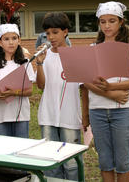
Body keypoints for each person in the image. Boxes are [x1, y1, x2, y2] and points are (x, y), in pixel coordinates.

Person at [83, 1, 129, 182]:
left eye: (112, 21)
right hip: (97, 111)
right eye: (103, 21)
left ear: (121, 22)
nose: (107, 26)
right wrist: (110, 93)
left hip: (122, 112)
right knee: (105, 160)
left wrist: (111, 87)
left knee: (123, 161)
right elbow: (86, 80)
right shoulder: (93, 49)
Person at [35, 12, 82, 180]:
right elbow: (41, 85)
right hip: (48, 116)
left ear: (65, 31)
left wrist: (85, 116)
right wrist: (40, 62)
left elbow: (84, 87)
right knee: (50, 163)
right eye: (47, 33)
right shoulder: (45, 55)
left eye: (55, 32)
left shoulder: (76, 55)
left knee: (71, 164)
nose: (51, 37)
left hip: (70, 116)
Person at [0, 23, 35, 138]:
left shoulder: (25, 62)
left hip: (20, 114)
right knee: (3, 149)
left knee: (21, 148)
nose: (11, 42)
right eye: (6, 39)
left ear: (19, 40)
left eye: (14, 38)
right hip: (0, 114)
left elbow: (30, 91)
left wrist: (13, 92)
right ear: (0, 42)